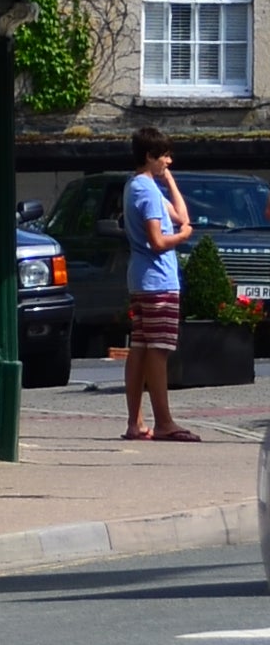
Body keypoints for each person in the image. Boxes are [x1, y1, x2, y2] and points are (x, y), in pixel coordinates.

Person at [122, 125, 201, 444]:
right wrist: (181, 238)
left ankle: (135, 423)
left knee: (140, 348)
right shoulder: (147, 193)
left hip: (140, 279)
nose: (169, 160)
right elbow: (158, 240)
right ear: (149, 156)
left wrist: (167, 180)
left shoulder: (137, 186)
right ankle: (165, 422)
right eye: (164, 156)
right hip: (158, 281)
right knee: (159, 350)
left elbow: (182, 214)